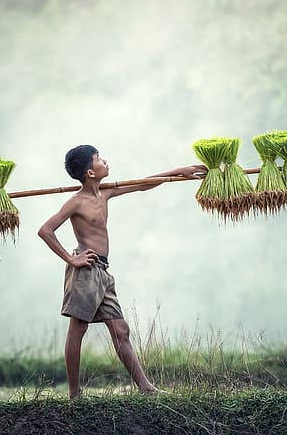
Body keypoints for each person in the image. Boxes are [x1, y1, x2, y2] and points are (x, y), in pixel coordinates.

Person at [37, 144, 207, 399]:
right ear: (90, 173)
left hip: (103, 271)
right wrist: (73, 261)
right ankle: (74, 394)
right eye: (98, 159)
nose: (104, 161)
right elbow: (45, 231)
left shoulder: (104, 193)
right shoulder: (76, 203)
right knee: (78, 328)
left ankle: (146, 388)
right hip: (86, 270)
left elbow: (143, 183)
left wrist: (179, 171)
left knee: (120, 330)